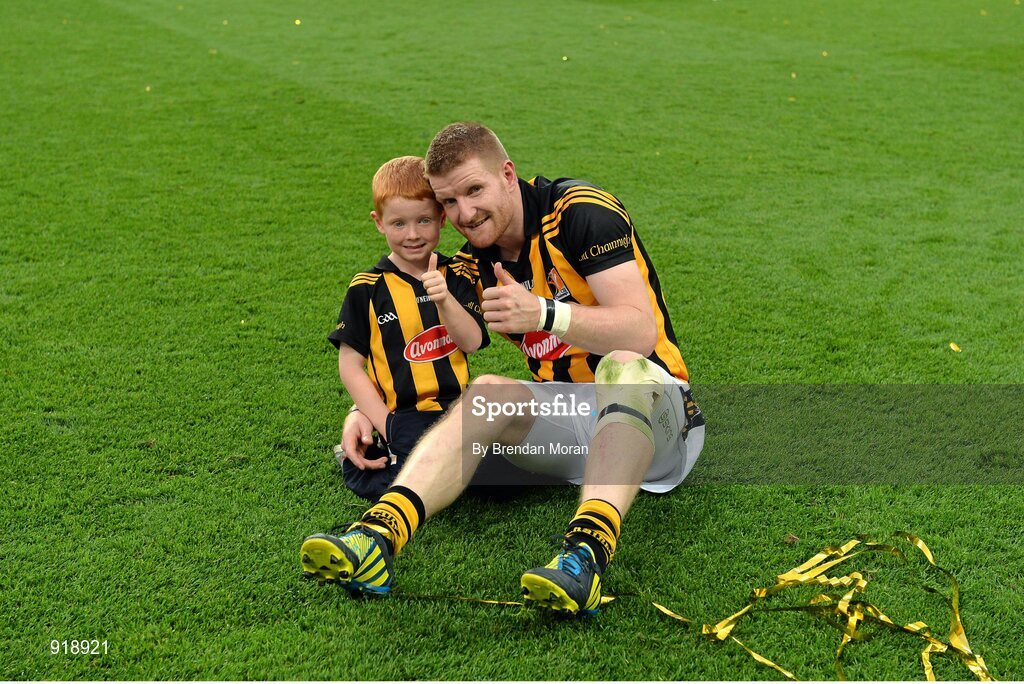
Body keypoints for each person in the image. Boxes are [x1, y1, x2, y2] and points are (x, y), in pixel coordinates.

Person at [301, 123, 704, 616]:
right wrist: (366, 409)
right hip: (573, 428)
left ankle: (585, 559)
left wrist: (542, 313)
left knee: (623, 365)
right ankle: (376, 538)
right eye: (449, 202)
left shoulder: (580, 213)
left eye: (475, 190)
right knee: (490, 390)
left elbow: (640, 333)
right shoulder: (473, 263)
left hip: (658, 417)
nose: (465, 214)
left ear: (507, 175)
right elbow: (409, 340)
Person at [327, 155, 488, 501]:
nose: (412, 234)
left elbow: (472, 341)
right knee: (414, 467)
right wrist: (385, 422)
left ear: (442, 219)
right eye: (398, 224)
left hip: (457, 409)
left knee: (498, 475)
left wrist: (444, 300)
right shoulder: (366, 287)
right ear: (379, 223)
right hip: (404, 414)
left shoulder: (456, 275)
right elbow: (349, 364)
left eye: (424, 220)